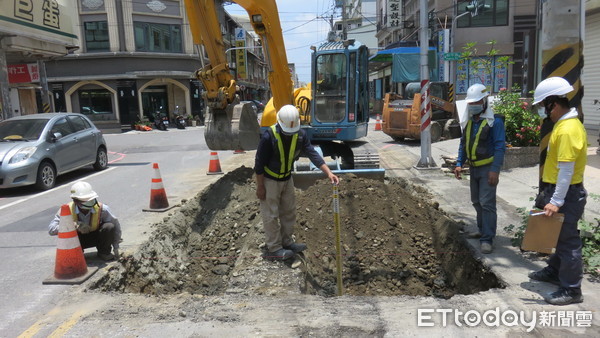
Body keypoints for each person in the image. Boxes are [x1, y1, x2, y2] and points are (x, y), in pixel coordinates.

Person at [528, 77, 587, 305]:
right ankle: (554, 271)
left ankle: (572, 290)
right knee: (555, 236)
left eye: (544, 106)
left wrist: (556, 200)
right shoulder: (564, 125)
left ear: (553, 103)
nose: (544, 112)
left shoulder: (567, 130)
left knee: (567, 241)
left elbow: (566, 169)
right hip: (559, 190)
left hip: (566, 193)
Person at [255, 105, 339, 261]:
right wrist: (260, 186)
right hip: (270, 180)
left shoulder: (300, 134)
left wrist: (328, 172)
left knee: (289, 211)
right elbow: (259, 164)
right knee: (271, 214)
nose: (289, 134)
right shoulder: (268, 137)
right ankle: (274, 248)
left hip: (287, 178)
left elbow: (312, 153)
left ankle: (286, 242)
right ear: (279, 123)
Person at [453, 83, 506, 254]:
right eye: (471, 103)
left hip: (487, 168)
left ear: (484, 101)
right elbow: (463, 143)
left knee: (487, 203)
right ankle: (482, 229)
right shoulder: (469, 120)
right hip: (474, 169)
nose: (473, 105)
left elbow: (499, 147)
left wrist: (495, 170)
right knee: (477, 202)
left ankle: (487, 238)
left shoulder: (494, 122)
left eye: (476, 102)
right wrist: (459, 163)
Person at [48, 181, 122, 261]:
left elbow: (116, 225)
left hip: (97, 237)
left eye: (90, 200)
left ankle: (104, 252)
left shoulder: (102, 208)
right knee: (66, 235)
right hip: (78, 241)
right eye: (85, 201)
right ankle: (76, 255)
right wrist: (73, 225)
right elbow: (51, 229)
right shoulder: (67, 210)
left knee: (109, 226)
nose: (89, 203)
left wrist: (116, 247)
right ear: (75, 201)